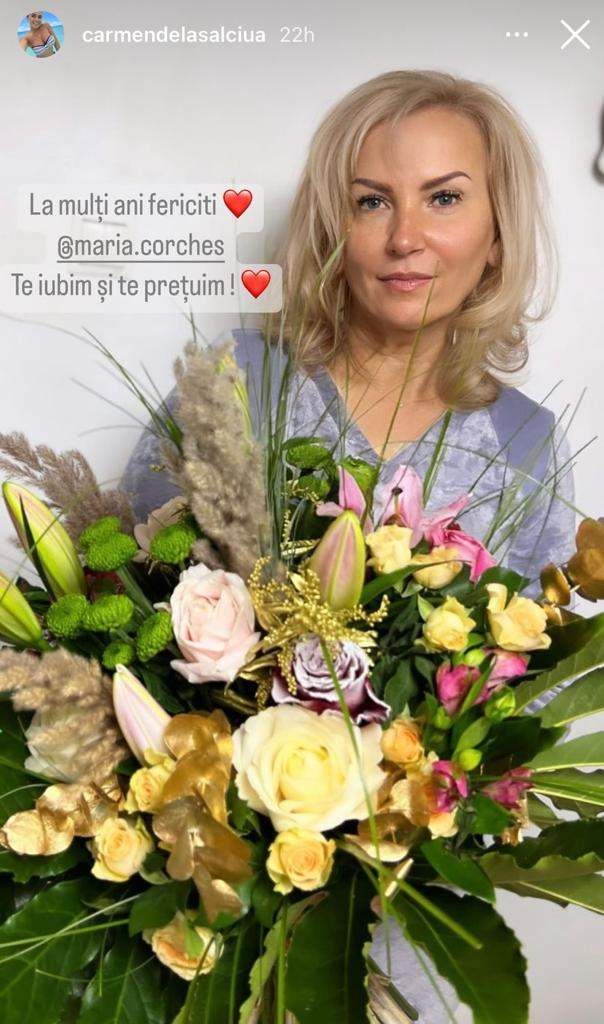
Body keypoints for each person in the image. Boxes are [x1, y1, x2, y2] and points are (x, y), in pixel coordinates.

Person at [120, 70, 577, 1021]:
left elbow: (509, 712)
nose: (405, 238)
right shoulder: (235, 385)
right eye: (372, 201)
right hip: (205, 907)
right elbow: (123, 615)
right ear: (332, 224)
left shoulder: (528, 445)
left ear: (497, 232)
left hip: (403, 921)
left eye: (444, 198)